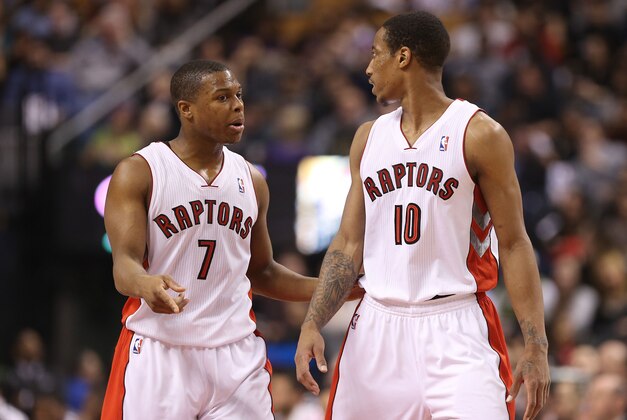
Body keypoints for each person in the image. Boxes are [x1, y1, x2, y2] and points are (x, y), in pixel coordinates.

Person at [294, 11, 550, 420]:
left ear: (403, 57)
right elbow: (347, 244)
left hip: (456, 324)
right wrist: (313, 321)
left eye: (376, 54)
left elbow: (515, 242)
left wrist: (536, 344)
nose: (367, 67)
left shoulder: (480, 134)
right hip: (377, 325)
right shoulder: (368, 137)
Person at [100, 59, 359, 419]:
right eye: (222, 98)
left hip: (236, 355)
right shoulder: (140, 171)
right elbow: (124, 266)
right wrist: (145, 284)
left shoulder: (251, 180)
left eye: (238, 95)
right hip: (161, 350)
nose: (237, 105)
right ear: (186, 110)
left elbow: (263, 273)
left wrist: (341, 286)